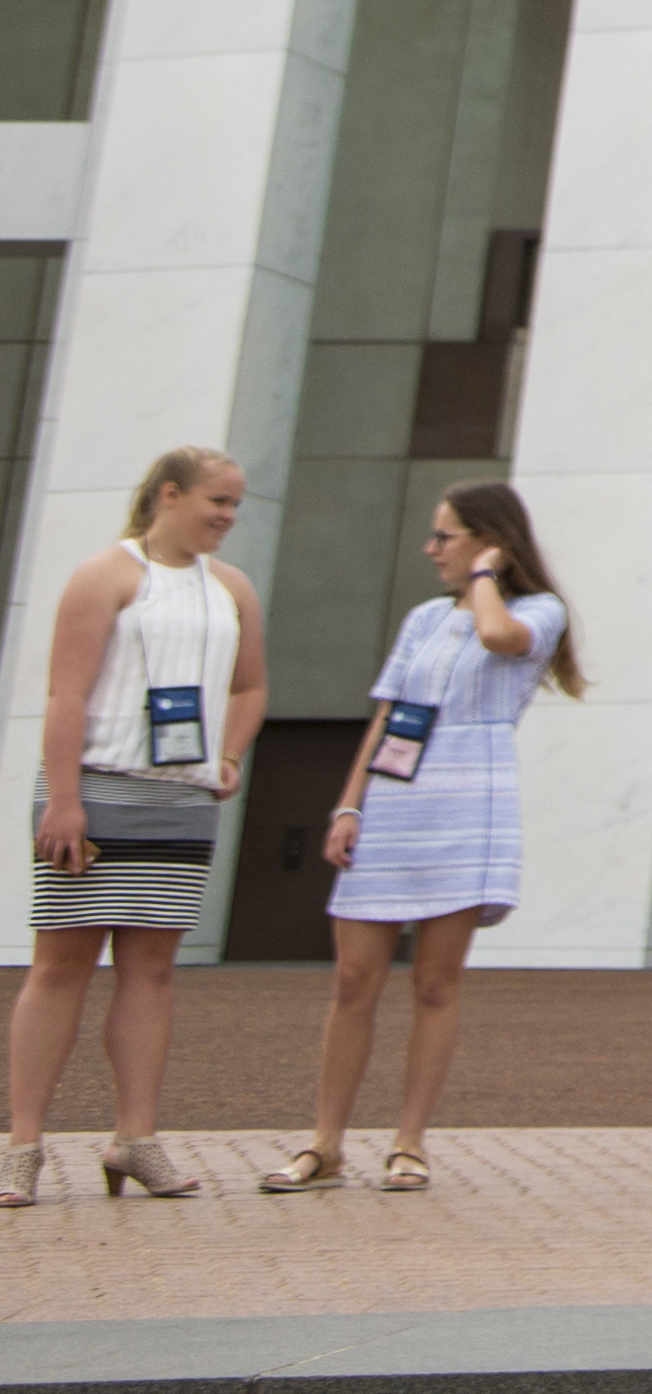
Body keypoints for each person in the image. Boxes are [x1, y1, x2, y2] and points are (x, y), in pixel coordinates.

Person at [263, 484, 579, 1196]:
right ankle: (325, 1143)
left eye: (447, 536)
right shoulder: (422, 619)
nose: (432, 549)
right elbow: (388, 716)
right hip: (398, 797)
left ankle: (408, 1142)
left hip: (471, 797)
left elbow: (499, 639)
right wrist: (349, 804)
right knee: (352, 981)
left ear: (489, 542)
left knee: (435, 982)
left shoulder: (536, 610)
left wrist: (485, 579)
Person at [10, 445, 263, 1208]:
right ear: (169, 494)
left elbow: (250, 685)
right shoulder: (106, 574)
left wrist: (227, 753)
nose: (225, 516)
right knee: (60, 967)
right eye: (216, 500)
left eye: (235, 506)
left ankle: (136, 1138)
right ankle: (21, 1144)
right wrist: (63, 799)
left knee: (152, 971)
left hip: (180, 803)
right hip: (94, 790)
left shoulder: (232, 588)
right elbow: (66, 695)